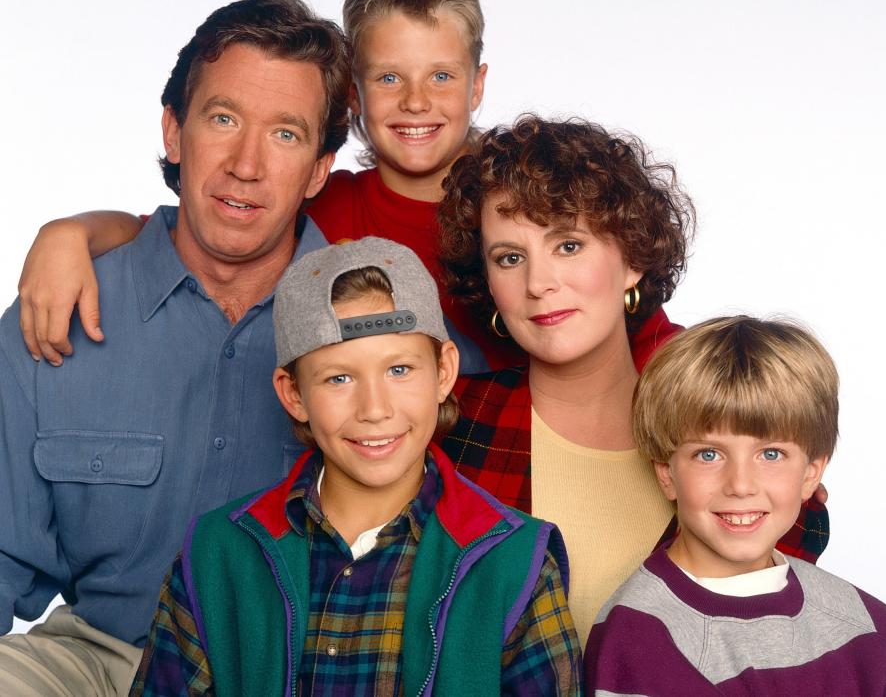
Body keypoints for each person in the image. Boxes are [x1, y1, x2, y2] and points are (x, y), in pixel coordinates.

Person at [0, 0, 352, 696]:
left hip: (296, 674)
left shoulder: (370, 324)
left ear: (318, 169)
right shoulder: (57, 308)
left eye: (284, 134)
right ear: (174, 131)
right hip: (101, 660)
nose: (245, 165)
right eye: (223, 119)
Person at [436, 115, 829, 643]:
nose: (538, 283)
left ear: (633, 259)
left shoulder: (726, 428)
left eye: (568, 246)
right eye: (509, 258)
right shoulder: (452, 426)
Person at [131, 238, 582, 696]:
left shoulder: (513, 562)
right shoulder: (217, 554)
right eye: (339, 378)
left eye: (400, 370)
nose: (374, 408)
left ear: (444, 372)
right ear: (293, 394)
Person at [16, 0, 496, 371]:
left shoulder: (509, 203)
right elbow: (173, 232)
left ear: (476, 85)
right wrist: (70, 233)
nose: (415, 101)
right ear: (353, 93)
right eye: (389, 78)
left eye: (441, 77)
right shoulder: (325, 203)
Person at [585, 316, 886, 695]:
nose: (740, 484)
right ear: (667, 473)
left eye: (770, 453)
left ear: (810, 474)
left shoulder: (880, 633)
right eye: (708, 454)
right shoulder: (639, 638)